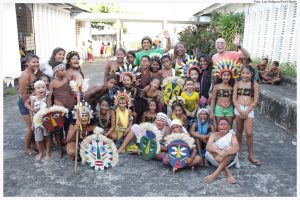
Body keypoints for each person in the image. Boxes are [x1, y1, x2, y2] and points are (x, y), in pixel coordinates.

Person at [233, 64, 260, 166]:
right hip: (239, 108)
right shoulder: (237, 83)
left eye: (247, 73)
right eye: (243, 73)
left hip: (249, 110)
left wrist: (247, 111)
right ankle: (238, 150)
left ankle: (251, 154)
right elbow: (234, 98)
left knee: (249, 133)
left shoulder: (254, 84)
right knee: (239, 130)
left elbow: (256, 100)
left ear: (251, 74)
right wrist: (239, 110)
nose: (245, 75)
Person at [48, 61, 76, 158]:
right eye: (62, 70)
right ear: (56, 71)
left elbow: (72, 93)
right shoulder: (52, 84)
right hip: (58, 110)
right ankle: (60, 149)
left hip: (70, 108)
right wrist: (49, 109)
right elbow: (49, 98)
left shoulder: (67, 80)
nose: (64, 71)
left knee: (69, 128)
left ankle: (69, 145)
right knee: (58, 130)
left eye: (65, 69)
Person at [204, 119, 239, 184]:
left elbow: (236, 147)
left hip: (229, 160)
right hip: (215, 159)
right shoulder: (214, 135)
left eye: (225, 124)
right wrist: (218, 151)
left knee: (230, 149)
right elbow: (208, 147)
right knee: (213, 147)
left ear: (228, 127)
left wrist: (225, 153)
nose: (223, 126)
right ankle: (228, 173)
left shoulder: (232, 136)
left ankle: (214, 175)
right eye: (221, 124)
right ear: (218, 127)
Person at [17, 54, 40, 155]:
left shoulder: (33, 72)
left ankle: (33, 144)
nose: (36, 64)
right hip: (25, 103)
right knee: (31, 126)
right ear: (27, 63)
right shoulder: (25, 75)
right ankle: (26, 148)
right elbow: (23, 93)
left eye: (37, 62)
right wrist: (30, 107)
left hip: (32, 102)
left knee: (34, 125)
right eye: (33, 62)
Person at [24, 81, 50, 160]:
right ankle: (41, 152)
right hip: (37, 122)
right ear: (35, 90)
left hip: (46, 121)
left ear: (45, 89)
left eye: (43, 87)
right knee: (38, 139)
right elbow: (31, 112)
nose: (41, 89)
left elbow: (50, 107)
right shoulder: (33, 99)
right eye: (38, 88)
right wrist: (32, 123)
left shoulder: (47, 97)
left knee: (47, 137)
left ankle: (47, 153)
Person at [210, 59, 239, 128]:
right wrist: (211, 112)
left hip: (230, 109)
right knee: (219, 127)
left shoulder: (233, 87)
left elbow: (234, 100)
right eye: (224, 75)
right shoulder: (217, 86)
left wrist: (235, 111)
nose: (226, 77)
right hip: (219, 109)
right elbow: (213, 100)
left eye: (228, 75)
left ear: (231, 76)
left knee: (229, 128)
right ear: (220, 76)